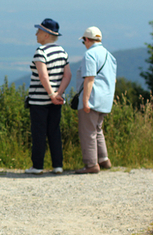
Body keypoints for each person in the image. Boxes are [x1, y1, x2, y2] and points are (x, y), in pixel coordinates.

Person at [24, 18, 71, 175]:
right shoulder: (62, 52)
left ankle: (37, 166)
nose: (36, 34)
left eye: (39, 31)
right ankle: (58, 165)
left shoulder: (41, 52)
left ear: (46, 35)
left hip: (39, 101)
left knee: (39, 133)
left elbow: (43, 76)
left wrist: (50, 94)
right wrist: (58, 93)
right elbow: (67, 75)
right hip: (57, 101)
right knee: (54, 132)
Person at [74, 26, 117, 174]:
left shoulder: (90, 55)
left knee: (88, 132)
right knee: (98, 129)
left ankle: (91, 164)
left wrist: (85, 101)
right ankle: (104, 159)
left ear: (86, 39)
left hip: (92, 99)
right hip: (106, 100)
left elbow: (89, 79)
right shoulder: (109, 55)